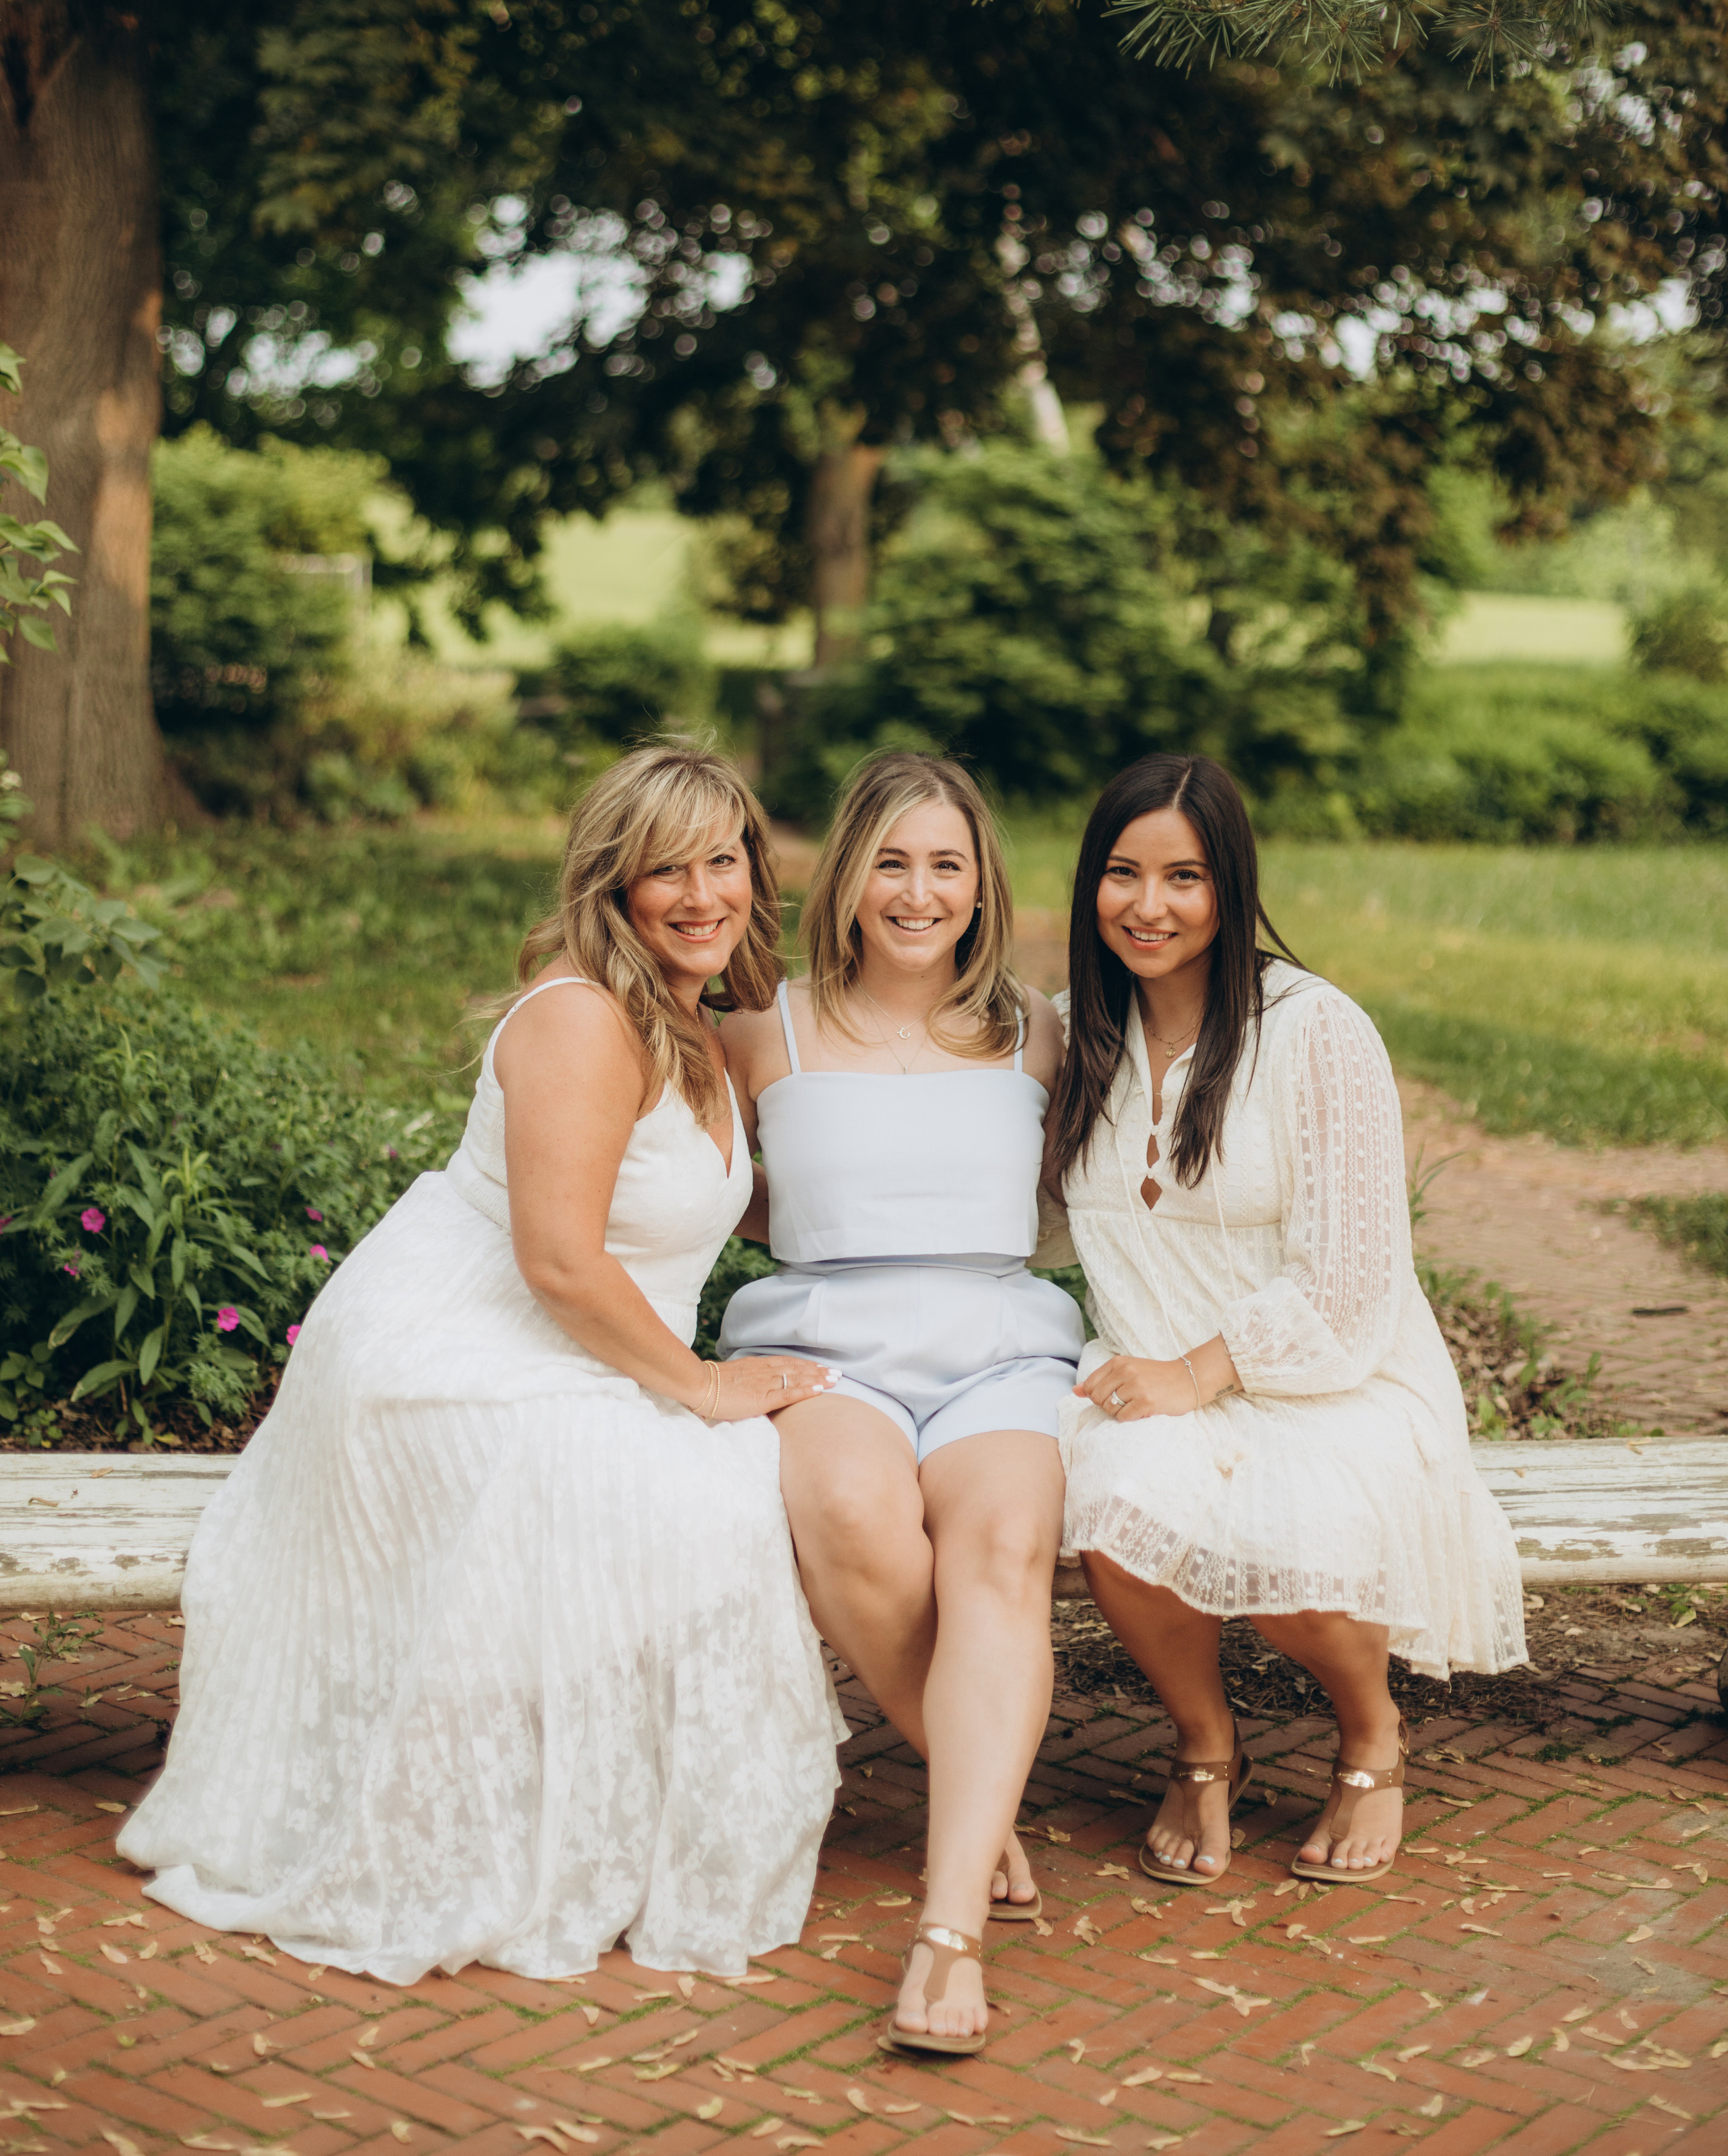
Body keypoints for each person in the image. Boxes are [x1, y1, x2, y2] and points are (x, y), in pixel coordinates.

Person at [120, 743, 843, 1984]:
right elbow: (561, 1262)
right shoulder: (580, 1019)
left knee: (702, 1495)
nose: (700, 894)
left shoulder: (707, 1023)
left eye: (721, 860)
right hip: (460, 1348)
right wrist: (708, 1387)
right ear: (610, 887)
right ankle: (520, 1824)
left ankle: (593, 1802)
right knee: (690, 1496)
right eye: (662, 870)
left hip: (592, 1343)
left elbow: (738, 1203)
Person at [1050, 753, 1525, 1888]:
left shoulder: (1318, 1033)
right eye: (1122, 874)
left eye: (1185, 878)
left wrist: (1202, 1373)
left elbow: (1355, 1281)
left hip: (1332, 1374)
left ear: (1232, 886)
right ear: (1089, 887)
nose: (1149, 906)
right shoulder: (1074, 1034)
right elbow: (1010, 1212)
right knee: (1113, 1504)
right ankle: (1205, 1744)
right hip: (1150, 1359)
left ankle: (1372, 1733)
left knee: (1300, 1529)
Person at [720, 751, 1081, 2053]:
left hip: (999, 1343)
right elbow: (707, 1186)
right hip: (827, 1344)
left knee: (1000, 1548)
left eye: (946, 863)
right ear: (848, 877)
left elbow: (1086, 1190)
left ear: (982, 882)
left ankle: (946, 1935)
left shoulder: (1040, 1028)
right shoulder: (765, 1024)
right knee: (854, 1513)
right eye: (890, 860)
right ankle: (975, 1802)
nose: (918, 891)